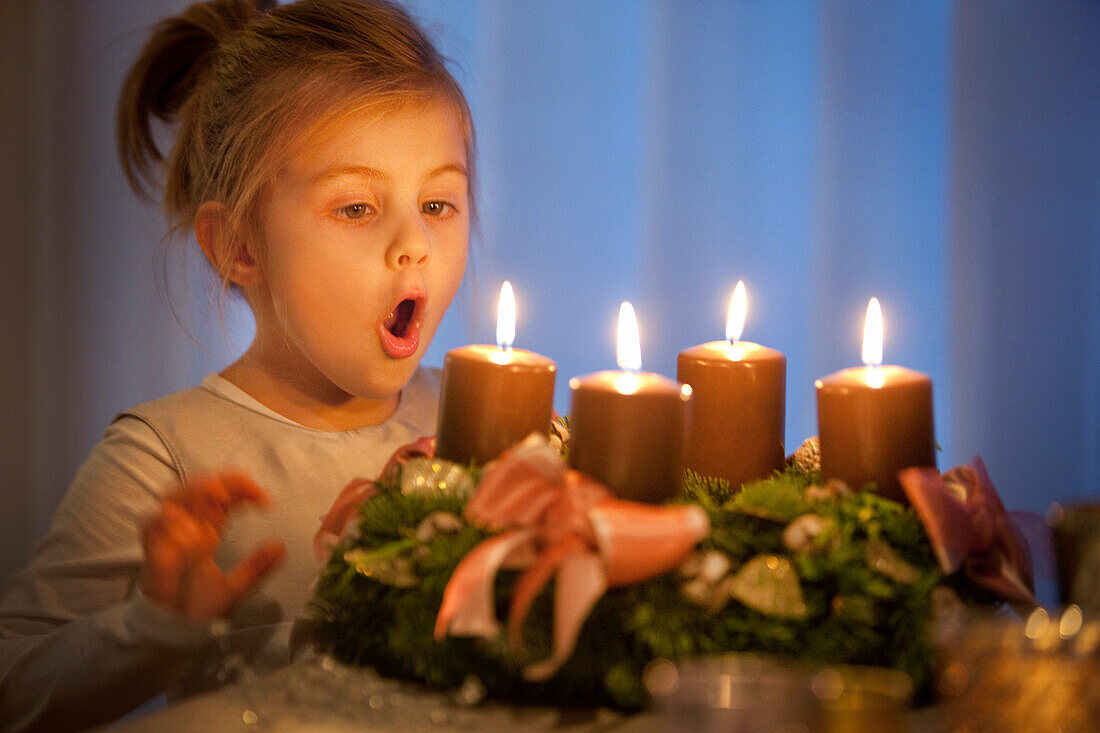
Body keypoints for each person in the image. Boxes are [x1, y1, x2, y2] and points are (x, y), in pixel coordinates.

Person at [0, 0, 473, 729]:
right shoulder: (168, 456)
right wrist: (153, 623)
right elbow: (15, 682)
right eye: (355, 208)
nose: (414, 244)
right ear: (240, 247)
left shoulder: (481, 420)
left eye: (439, 203)